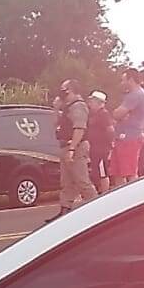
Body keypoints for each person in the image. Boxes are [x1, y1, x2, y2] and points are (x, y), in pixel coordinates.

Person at [50, 79, 96, 221]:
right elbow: (55, 124)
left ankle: (97, 207)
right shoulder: (67, 107)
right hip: (66, 146)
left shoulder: (78, 106)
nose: (61, 92)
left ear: (70, 90)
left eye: (64, 89)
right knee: (67, 182)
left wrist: (72, 149)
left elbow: (79, 129)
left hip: (76, 147)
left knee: (82, 180)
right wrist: (56, 109)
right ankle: (65, 210)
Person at [110, 68, 144, 186]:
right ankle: (120, 195)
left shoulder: (136, 95)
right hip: (122, 137)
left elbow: (118, 114)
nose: (122, 83)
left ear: (131, 79)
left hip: (130, 137)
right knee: (118, 172)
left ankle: (135, 193)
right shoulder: (132, 95)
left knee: (129, 172)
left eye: (123, 80)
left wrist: (118, 114)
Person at [86, 91, 114, 194]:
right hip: (95, 148)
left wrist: (110, 145)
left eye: (92, 101)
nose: (90, 103)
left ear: (98, 102)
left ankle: (105, 193)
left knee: (103, 172)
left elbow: (110, 130)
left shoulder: (104, 114)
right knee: (96, 171)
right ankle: (100, 191)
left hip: (102, 149)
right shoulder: (94, 114)